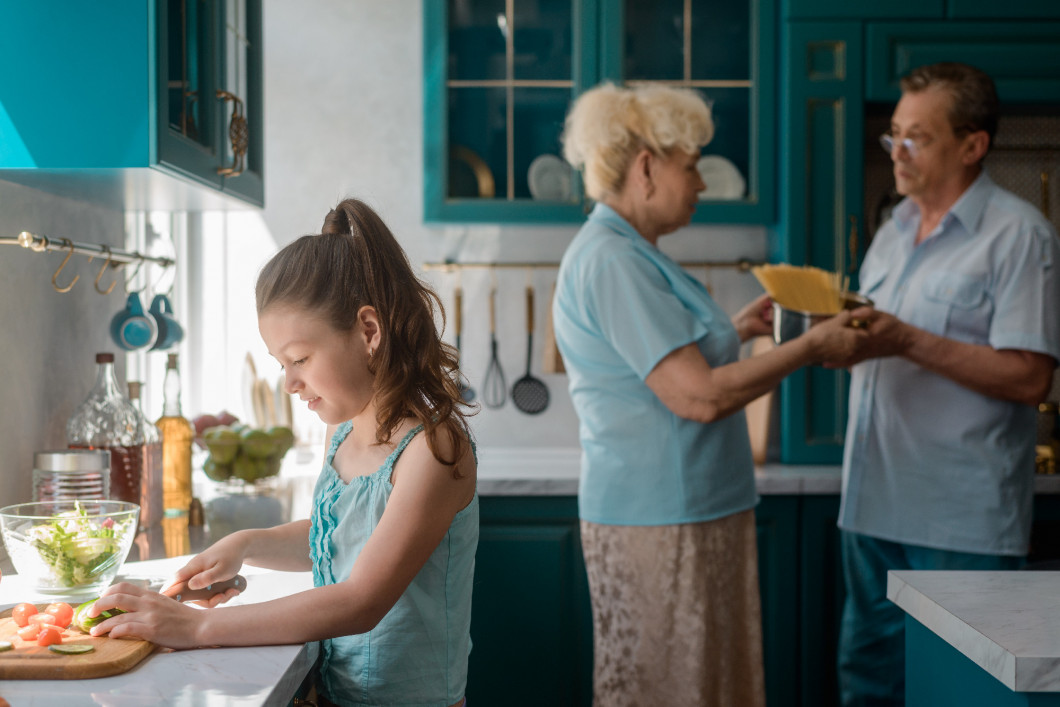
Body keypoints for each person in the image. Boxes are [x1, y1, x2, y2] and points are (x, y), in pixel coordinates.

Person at [86, 199, 479, 707]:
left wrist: (199, 626)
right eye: (281, 363)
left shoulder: (432, 448)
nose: (290, 382)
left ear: (369, 331)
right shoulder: (343, 436)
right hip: (337, 694)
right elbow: (335, 537)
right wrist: (247, 543)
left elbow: (362, 600)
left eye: (300, 358)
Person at [553, 82, 867, 707]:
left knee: (705, 687)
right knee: (676, 690)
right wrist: (811, 346)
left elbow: (679, 360)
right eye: (691, 166)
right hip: (663, 517)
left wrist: (739, 329)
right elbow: (696, 398)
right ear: (645, 167)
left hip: (689, 511)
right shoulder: (614, 260)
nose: (701, 184)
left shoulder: (636, 254)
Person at [835, 62, 1060, 706]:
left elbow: (1029, 376)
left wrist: (904, 337)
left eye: (917, 137)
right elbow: (884, 347)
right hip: (872, 505)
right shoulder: (892, 232)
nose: (897, 152)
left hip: (959, 521)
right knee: (869, 687)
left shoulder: (1020, 237)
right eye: (892, 137)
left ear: (972, 145)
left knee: (963, 695)